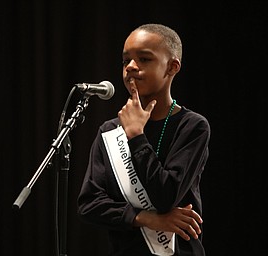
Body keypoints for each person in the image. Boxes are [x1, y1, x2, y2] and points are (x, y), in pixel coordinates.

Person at [77, 23, 210, 256]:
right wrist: (146, 218)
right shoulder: (109, 131)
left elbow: (166, 196)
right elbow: (90, 204)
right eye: (125, 60)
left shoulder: (192, 126)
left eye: (144, 59)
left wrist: (136, 135)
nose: (130, 67)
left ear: (172, 67)